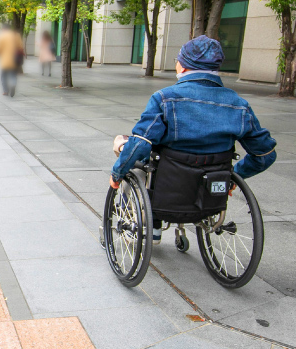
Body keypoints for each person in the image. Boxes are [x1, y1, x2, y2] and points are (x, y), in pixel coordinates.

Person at [109, 35, 277, 244]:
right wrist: (234, 175)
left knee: (126, 148)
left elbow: (141, 145)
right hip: (212, 186)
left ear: (183, 66)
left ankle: (149, 227)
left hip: (168, 184)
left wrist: (117, 173)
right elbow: (265, 155)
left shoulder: (165, 98)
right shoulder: (239, 105)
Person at [0, 25, 24, 97]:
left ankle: (5, 91)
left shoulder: (1, 36)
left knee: (3, 75)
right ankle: (13, 84)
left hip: (5, 60)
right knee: (13, 74)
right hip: (14, 59)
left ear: (3, 29)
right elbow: (20, 47)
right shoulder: (16, 35)